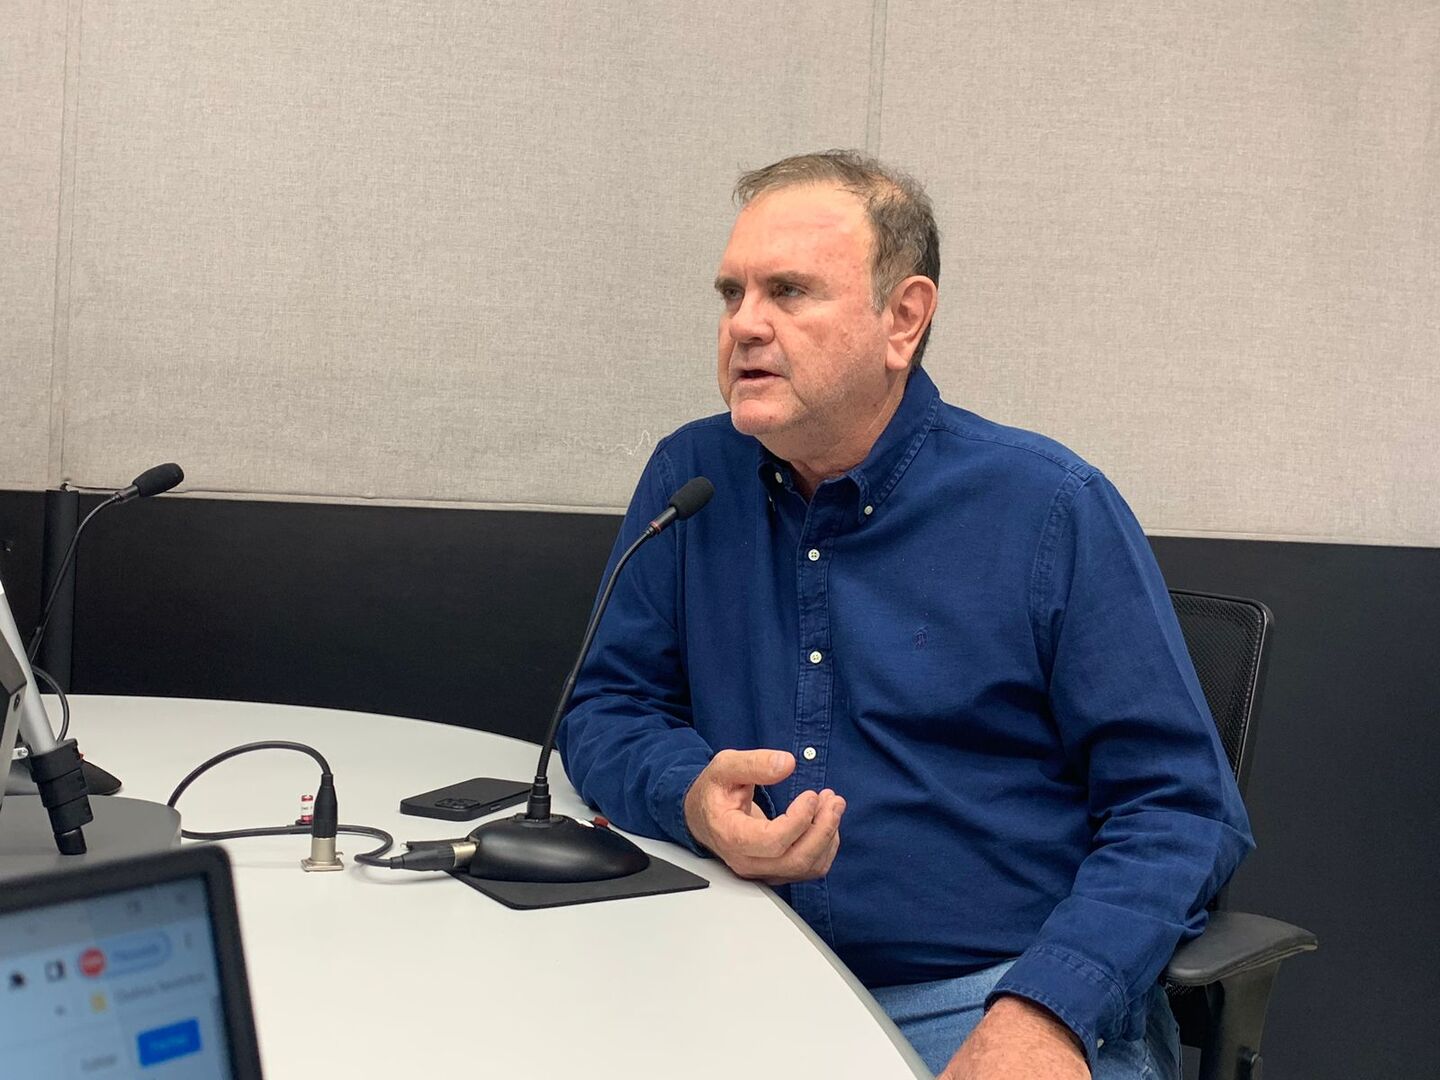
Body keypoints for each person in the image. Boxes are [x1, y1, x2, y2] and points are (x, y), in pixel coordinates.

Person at [557, 150, 1251, 1080]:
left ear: (903, 317)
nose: (745, 325)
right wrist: (691, 796)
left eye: (790, 291)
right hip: (739, 970)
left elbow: (1181, 810)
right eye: (732, 293)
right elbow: (606, 709)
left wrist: (1046, 1009)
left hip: (987, 993)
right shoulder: (694, 478)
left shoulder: (1048, 507)